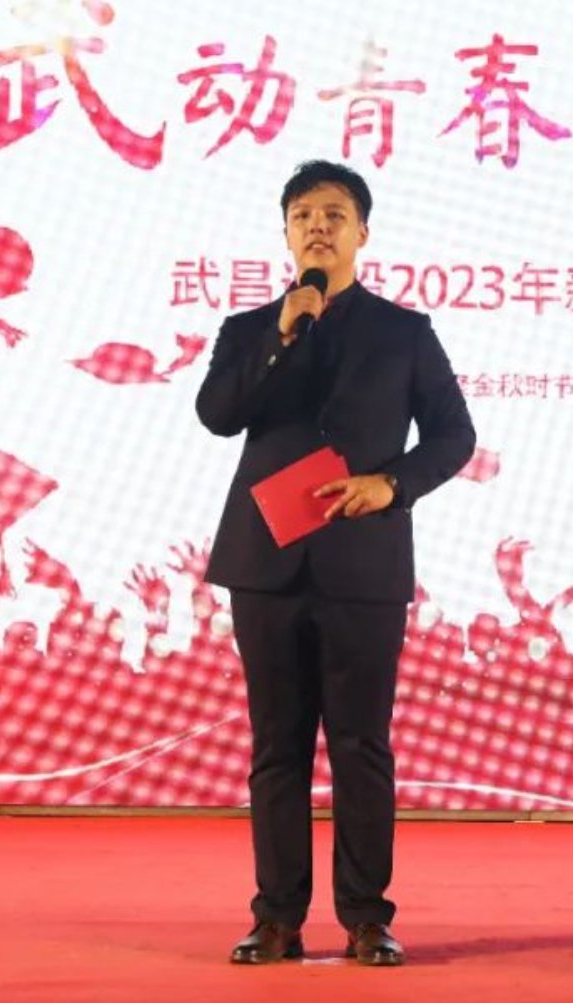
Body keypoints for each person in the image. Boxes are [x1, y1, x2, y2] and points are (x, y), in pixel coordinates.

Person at [195, 160, 476, 967]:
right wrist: (281, 337)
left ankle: (365, 916)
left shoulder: (404, 332)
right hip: (267, 561)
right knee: (276, 747)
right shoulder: (250, 328)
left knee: (360, 745)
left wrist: (392, 484)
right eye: (303, 216)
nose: (318, 226)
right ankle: (276, 917)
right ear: (286, 233)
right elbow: (217, 414)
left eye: (334, 214)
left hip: (363, 562)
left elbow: (454, 435)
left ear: (362, 232)